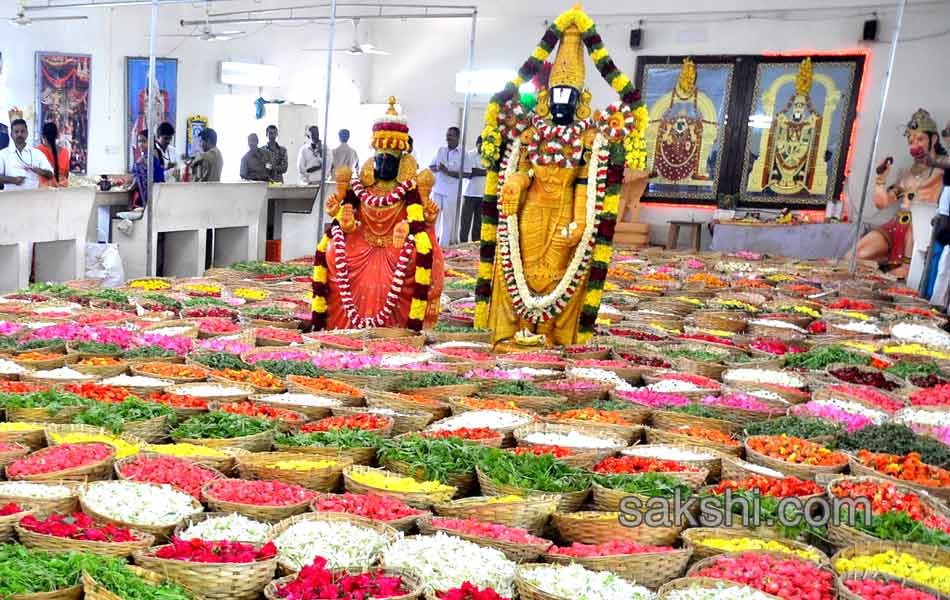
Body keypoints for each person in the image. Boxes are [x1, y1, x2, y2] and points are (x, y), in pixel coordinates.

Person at [429, 126, 463, 245]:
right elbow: (431, 167)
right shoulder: (441, 150)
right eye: (447, 135)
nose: (447, 137)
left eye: (451, 135)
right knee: (434, 218)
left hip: (451, 192)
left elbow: (466, 173)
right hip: (437, 189)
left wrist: (447, 171)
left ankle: (444, 247)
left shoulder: (462, 153)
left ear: (458, 137)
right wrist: (438, 168)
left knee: (447, 220)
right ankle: (432, 243)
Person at [0, 119, 54, 190]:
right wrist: (13, 180)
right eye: (16, 132)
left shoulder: (37, 153)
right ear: (11, 134)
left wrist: (40, 171)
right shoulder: (3, 154)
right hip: (11, 198)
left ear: (27, 133)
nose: (19, 134)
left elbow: (50, 175)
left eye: (22, 131)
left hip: (33, 197)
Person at [460, 136, 486, 243]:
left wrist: (480, 171)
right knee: (465, 222)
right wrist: (485, 172)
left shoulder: (488, 156)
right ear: (477, 143)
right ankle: (463, 245)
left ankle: (475, 246)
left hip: (482, 194)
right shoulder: (469, 155)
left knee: (478, 224)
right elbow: (470, 172)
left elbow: (478, 171)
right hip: (469, 193)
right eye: (481, 145)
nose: (483, 148)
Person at [36, 122, 70, 188]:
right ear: (57, 135)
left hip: (44, 193)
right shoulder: (65, 152)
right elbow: (66, 176)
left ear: (43, 136)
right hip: (62, 192)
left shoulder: (37, 151)